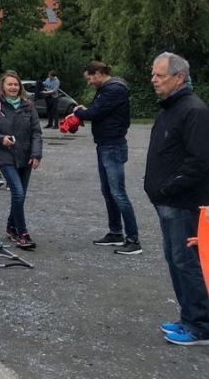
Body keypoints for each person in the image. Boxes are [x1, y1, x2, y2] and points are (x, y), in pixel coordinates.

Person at [146, 52, 209, 346]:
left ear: (179, 77)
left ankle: (200, 325)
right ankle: (188, 316)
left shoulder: (193, 110)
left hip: (182, 203)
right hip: (167, 202)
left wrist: (169, 187)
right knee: (175, 260)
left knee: (187, 262)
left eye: (160, 75)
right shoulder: (169, 108)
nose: (154, 80)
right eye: (154, 74)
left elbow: (199, 162)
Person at [72, 61, 140, 255]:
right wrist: (86, 111)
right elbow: (98, 110)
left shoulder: (112, 90)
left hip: (112, 145)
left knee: (118, 192)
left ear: (99, 73)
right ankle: (116, 232)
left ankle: (134, 240)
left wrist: (79, 112)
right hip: (105, 144)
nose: (89, 82)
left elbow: (95, 113)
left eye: (90, 78)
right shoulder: (107, 89)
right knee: (108, 191)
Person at [0, 70, 42, 250]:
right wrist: (1, 139)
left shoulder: (28, 106)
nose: (13, 87)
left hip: (26, 156)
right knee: (17, 192)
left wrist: (36, 154)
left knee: (20, 195)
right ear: (3, 87)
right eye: (10, 84)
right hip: (5, 156)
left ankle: (11, 226)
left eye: (16, 84)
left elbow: (37, 132)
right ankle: (23, 233)